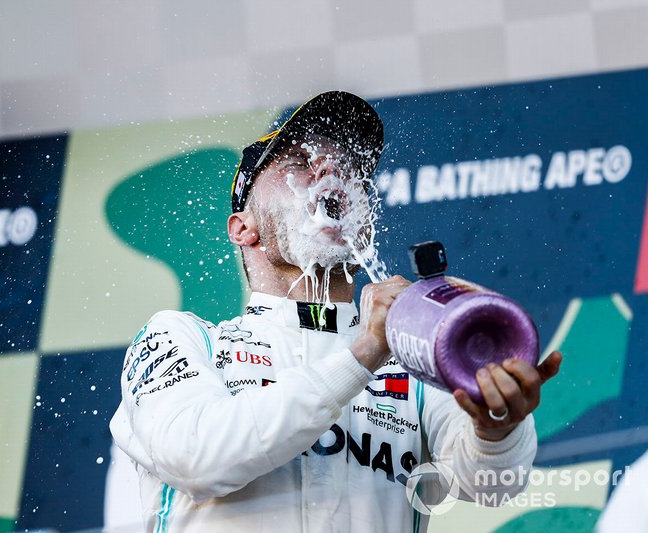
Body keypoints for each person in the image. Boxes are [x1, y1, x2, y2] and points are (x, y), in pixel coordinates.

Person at [109, 91, 562, 532]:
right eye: (299, 163)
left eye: (348, 167)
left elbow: (491, 487)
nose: (330, 170)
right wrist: (364, 352)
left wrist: (497, 426)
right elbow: (197, 458)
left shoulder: (411, 353)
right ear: (243, 228)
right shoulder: (183, 338)